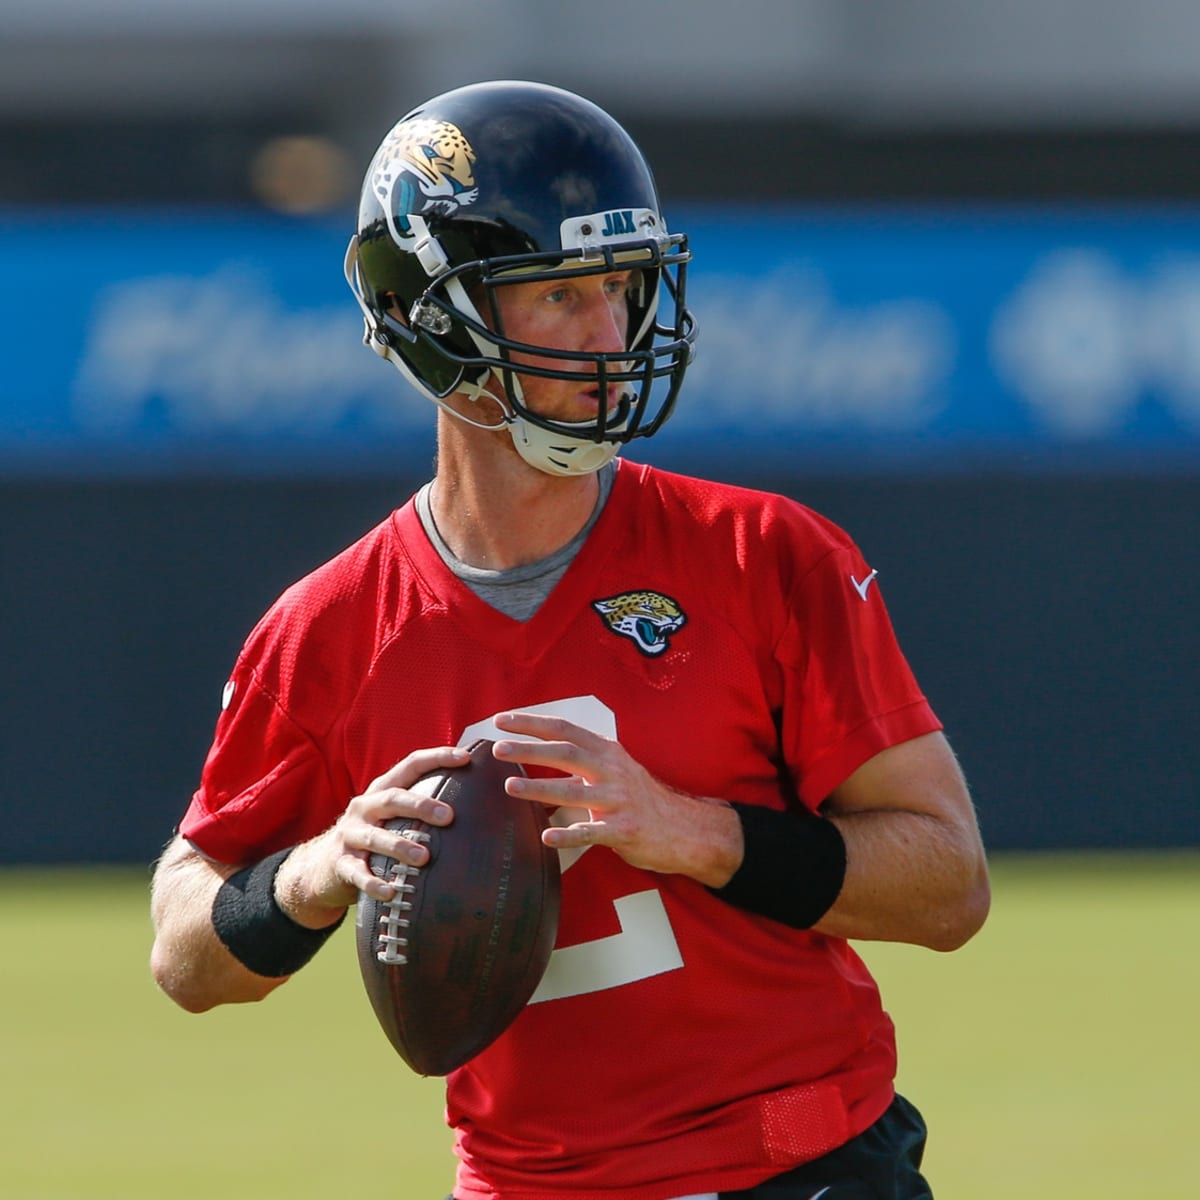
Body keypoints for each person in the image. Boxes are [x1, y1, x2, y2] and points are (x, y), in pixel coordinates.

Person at [149, 80, 990, 1200]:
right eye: (557, 296)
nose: (610, 334)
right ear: (430, 315)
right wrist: (313, 871)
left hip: (802, 1167)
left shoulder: (763, 555)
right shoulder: (329, 629)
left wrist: (695, 832)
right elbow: (183, 954)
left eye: (622, 289)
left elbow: (948, 886)